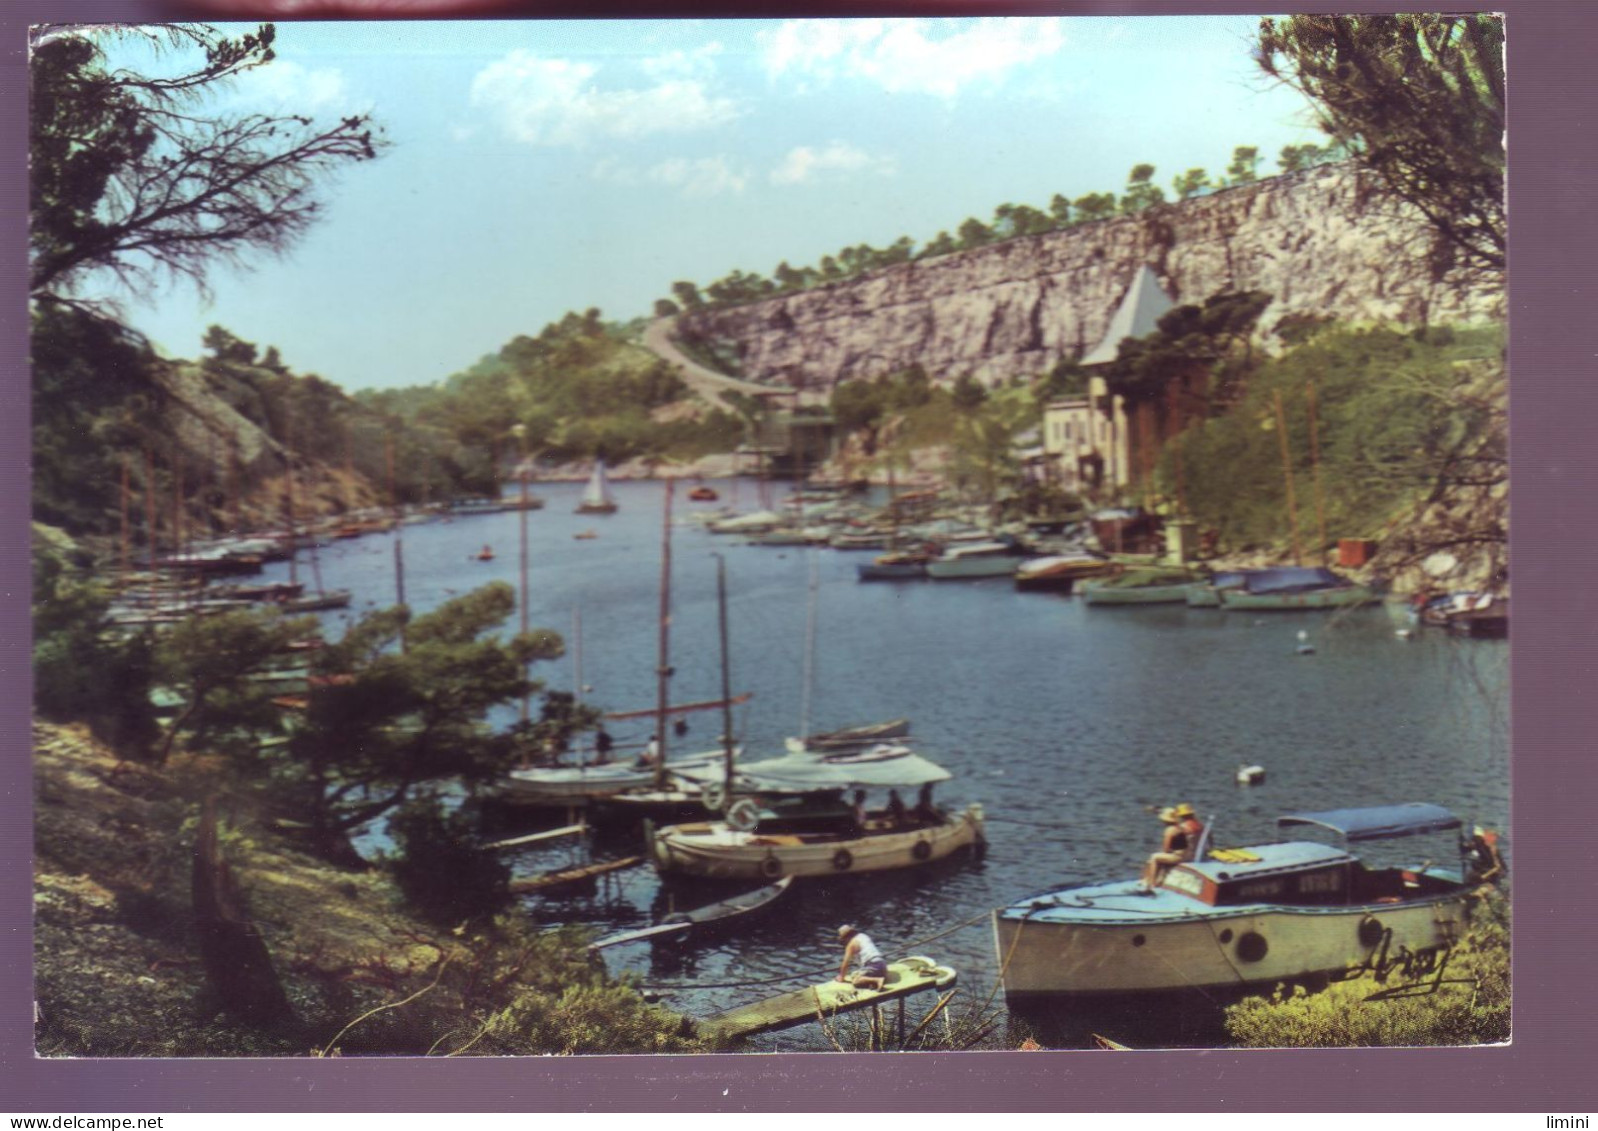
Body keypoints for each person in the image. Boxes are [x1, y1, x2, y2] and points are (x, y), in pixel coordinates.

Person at [1138, 807, 1191, 893]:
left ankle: (1151, 884)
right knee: (1156, 856)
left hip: (1177, 856)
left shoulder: (1169, 830)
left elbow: (1165, 849)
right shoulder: (1180, 828)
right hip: (1185, 854)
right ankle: (1148, 880)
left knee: (1154, 858)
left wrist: (1161, 853)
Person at [835, 924, 888, 989]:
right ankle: (874, 980)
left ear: (846, 937)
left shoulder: (851, 944)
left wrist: (841, 977)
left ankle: (877, 980)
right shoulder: (863, 936)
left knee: (856, 981)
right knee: (854, 974)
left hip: (873, 966)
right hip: (882, 965)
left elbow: (845, 963)